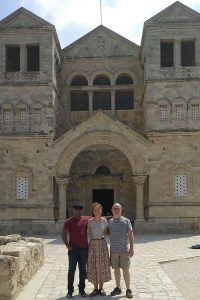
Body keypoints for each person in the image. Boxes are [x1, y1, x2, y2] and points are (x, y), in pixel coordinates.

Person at [61, 203, 90, 298]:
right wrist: (68, 246)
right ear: (73, 210)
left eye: (80, 209)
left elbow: (98, 217)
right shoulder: (69, 222)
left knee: (83, 271)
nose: (78, 211)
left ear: (82, 210)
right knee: (71, 271)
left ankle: (82, 290)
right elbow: (63, 234)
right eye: (76, 209)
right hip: (73, 250)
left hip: (84, 250)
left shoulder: (86, 219)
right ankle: (70, 291)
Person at [108, 203, 134, 299]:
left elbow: (131, 235)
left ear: (121, 210)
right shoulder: (109, 222)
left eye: (118, 208)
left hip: (124, 250)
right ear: (112, 210)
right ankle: (118, 287)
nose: (116, 210)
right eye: (114, 208)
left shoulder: (126, 221)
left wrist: (131, 248)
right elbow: (106, 232)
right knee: (116, 270)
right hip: (114, 250)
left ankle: (128, 289)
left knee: (126, 269)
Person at [87, 202, 111, 296]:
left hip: (102, 245)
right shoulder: (89, 221)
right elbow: (87, 233)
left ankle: (101, 288)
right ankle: (95, 288)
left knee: (102, 266)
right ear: (93, 211)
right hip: (93, 245)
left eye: (98, 209)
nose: (97, 211)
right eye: (95, 209)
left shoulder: (104, 221)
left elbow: (106, 233)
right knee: (93, 266)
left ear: (101, 210)